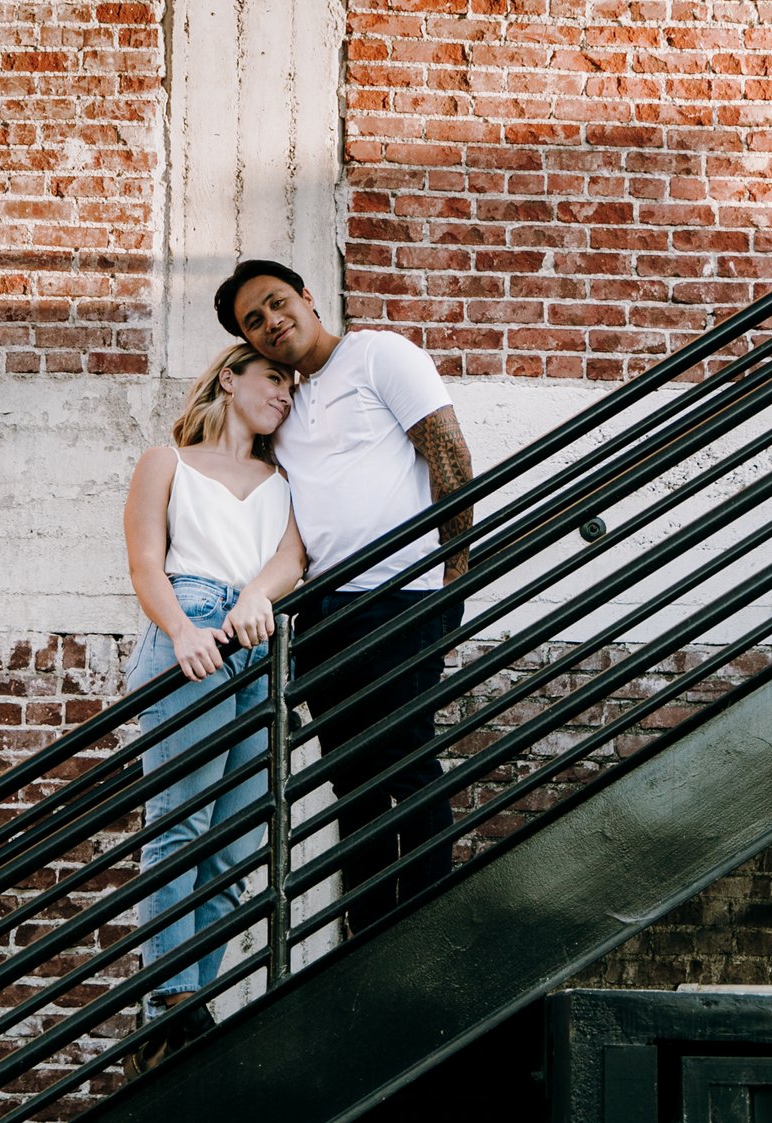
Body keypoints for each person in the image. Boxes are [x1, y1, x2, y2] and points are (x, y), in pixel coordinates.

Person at [214, 259, 473, 939]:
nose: (271, 322)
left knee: (406, 757)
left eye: (276, 303)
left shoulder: (379, 354)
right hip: (328, 612)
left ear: (306, 297)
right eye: (254, 321)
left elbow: (447, 451)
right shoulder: (288, 410)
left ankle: (423, 923)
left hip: (402, 595)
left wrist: (457, 575)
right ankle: (366, 931)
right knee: (352, 779)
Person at [120, 342, 307, 1072]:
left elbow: (292, 557)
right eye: (272, 379)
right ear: (229, 378)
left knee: (236, 843)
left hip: (259, 641)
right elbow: (143, 560)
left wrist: (259, 593)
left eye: (292, 387)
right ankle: (167, 1004)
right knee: (183, 823)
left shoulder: (283, 479)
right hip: (191, 630)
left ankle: (193, 999)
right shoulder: (166, 461)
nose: (284, 395)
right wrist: (180, 629)